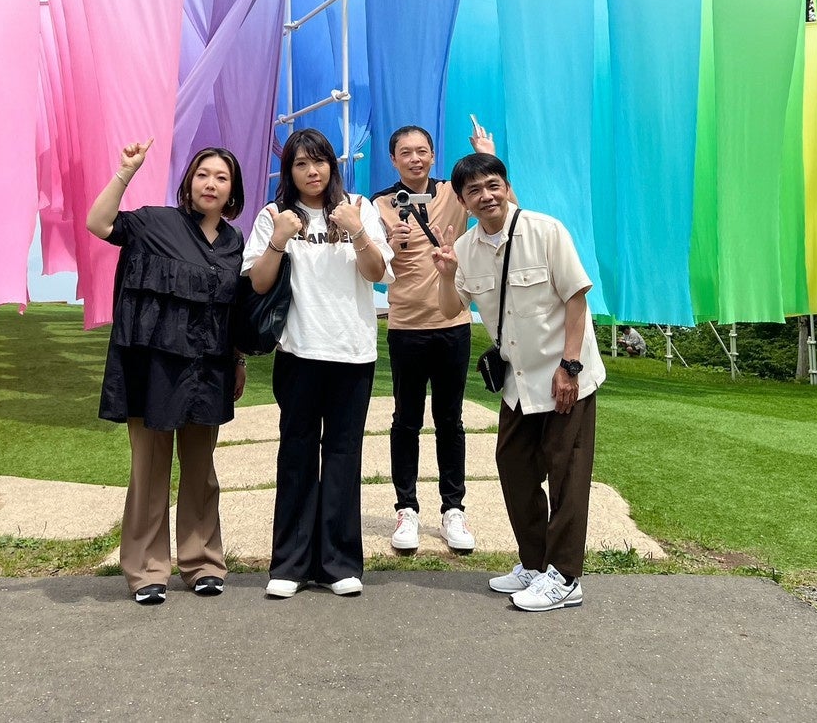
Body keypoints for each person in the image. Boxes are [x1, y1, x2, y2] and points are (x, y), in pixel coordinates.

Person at [432, 152, 606, 613]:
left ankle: (565, 577)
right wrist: (447, 276)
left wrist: (570, 367)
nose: (486, 196)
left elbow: (576, 299)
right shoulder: (466, 248)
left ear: (507, 187)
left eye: (493, 185)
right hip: (519, 382)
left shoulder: (545, 231)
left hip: (564, 375)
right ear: (463, 201)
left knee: (567, 475)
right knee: (515, 467)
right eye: (474, 190)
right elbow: (451, 309)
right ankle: (534, 564)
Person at [87, 139, 247, 606]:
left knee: (201, 473)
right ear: (189, 182)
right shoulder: (155, 223)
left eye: (221, 177)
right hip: (153, 368)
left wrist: (238, 361)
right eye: (203, 174)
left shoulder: (234, 243)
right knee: (149, 471)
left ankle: (203, 564)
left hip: (208, 369)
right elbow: (99, 223)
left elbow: (232, 312)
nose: (210, 184)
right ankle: (146, 570)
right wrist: (126, 172)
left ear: (232, 190)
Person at [243, 127, 393, 599]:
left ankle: (339, 563)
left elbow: (378, 274)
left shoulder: (359, 207)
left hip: (352, 352)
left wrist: (358, 230)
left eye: (320, 161)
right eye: (301, 163)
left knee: (344, 456)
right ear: (289, 170)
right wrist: (278, 240)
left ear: (332, 165)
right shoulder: (274, 216)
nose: (312, 171)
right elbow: (258, 284)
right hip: (299, 353)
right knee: (297, 455)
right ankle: (290, 564)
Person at [372, 120, 493, 555]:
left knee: (450, 420)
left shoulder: (453, 194)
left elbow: (503, 210)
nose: (415, 159)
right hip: (406, 326)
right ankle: (406, 508)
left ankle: (452, 509)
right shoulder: (380, 204)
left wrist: (486, 157)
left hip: (453, 323)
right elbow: (372, 265)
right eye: (406, 152)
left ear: (433, 155)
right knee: (406, 420)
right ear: (393, 159)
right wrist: (390, 242)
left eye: (422, 150)